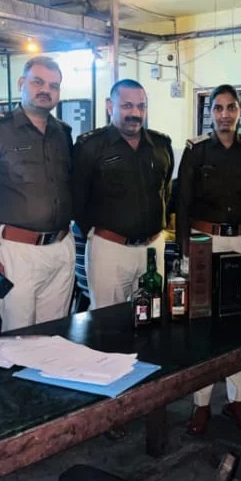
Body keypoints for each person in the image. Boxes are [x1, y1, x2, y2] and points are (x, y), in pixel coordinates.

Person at [176, 83, 241, 434]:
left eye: (231, 108)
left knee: (239, 322)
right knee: (203, 323)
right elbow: (183, 202)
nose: (225, 114)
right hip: (205, 241)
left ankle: (236, 399)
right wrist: (185, 249)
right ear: (210, 113)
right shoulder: (196, 150)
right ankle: (201, 403)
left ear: (240, 113)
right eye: (218, 108)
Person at [0, 56, 76, 331]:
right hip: (17, 253)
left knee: (56, 335)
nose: (46, 89)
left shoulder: (62, 133)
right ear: (21, 83)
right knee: (19, 337)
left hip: (62, 247)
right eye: (38, 82)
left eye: (54, 85)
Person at [72, 78, 174, 309]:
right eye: (127, 106)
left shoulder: (160, 145)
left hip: (153, 248)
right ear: (110, 106)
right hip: (110, 250)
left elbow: (165, 192)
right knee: (107, 320)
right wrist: (100, 236)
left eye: (141, 106)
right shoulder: (90, 146)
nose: (135, 113)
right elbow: (77, 200)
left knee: (152, 315)